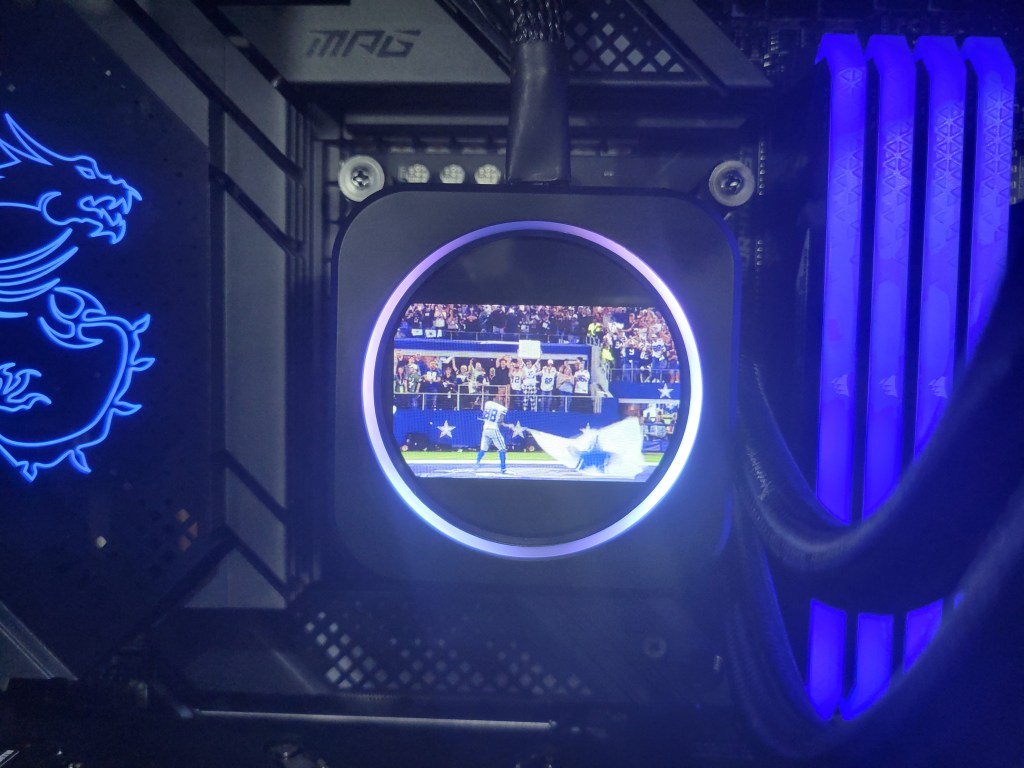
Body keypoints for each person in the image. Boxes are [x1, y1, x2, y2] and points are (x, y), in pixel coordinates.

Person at [476, 399, 509, 473]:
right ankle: (503, 468)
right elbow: (500, 421)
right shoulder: (503, 408)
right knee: (502, 449)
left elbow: (484, 415)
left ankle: (477, 463)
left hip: (485, 429)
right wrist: (506, 425)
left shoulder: (488, 403)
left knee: (483, 448)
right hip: (493, 429)